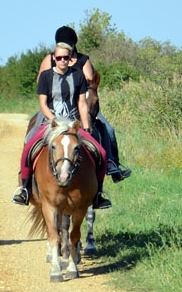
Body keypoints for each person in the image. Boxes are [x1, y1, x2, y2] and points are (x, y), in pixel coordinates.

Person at [12, 41, 112, 209]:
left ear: (70, 59)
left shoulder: (78, 76)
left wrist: (86, 127)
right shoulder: (46, 77)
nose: (63, 61)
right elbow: (43, 103)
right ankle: (25, 188)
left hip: (73, 123)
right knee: (29, 147)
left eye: (66, 57)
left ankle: (99, 194)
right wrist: (54, 121)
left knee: (100, 152)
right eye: (59, 58)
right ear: (54, 58)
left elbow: (82, 103)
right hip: (50, 123)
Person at [35, 26, 131, 183]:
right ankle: (26, 183)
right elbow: (41, 82)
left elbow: (89, 83)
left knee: (108, 129)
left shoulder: (83, 60)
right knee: (32, 136)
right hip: (53, 109)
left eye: (67, 44)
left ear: (73, 44)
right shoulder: (49, 59)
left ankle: (112, 164)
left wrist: (72, 73)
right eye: (61, 44)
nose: (63, 52)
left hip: (80, 107)